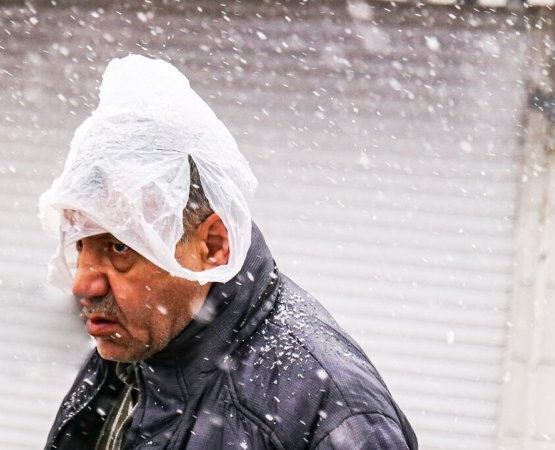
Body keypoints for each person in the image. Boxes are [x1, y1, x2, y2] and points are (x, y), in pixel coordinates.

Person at [39, 55, 417, 450]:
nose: (83, 282)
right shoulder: (133, 351)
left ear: (213, 247)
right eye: (81, 244)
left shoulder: (324, 409)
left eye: (119, 247)